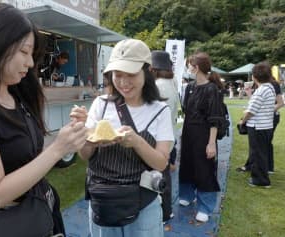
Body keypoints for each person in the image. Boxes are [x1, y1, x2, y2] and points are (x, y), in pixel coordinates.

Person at [0, 3, 87, 236]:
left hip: (42, 213)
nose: (30, 63)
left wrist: (69, 135)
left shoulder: (16, 95)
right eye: (24, 52)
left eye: (31, 55)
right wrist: (58, 149)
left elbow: (28, 159)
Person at [70, 39, 174, 237]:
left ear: (148, 71)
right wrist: (86, 133)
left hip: (143, 203)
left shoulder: (160, 111)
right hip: (103, 200)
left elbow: (161, 163)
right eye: (118, 75)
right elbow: (84, 155)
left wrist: (137, 141)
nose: (124, 83)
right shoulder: (101, 104)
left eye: (131, 75)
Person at [179, 52, 223, 223]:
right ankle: (187, 194)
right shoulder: (190, 87)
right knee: (187, 164)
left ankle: (205, 205)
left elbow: (215, 119)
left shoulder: (212, 89)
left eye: (190, 65)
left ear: (196, 68)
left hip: (204, 134)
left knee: (204, 168)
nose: (188, 68)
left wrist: (211, 143)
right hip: (189, 132)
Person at [150, 50, 179, 223]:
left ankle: (163, 212)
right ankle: (166, 211)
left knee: (159, 177)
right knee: (164, 175)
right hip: (169, 136)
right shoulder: (170, 83)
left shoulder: (159, 86)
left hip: (159, 138)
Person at [237, 62, 276, 188]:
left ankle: (260, 180)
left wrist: (242, 121)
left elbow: (251, 110)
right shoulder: (269, 88)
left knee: (258, 153)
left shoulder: (262, 90)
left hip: (258, 127)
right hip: (266, 126)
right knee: (261, 153)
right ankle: (262, 177)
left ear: (254, 77)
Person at [237, 75, 283, 174]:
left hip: (266, 119)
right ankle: (266, 168)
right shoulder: (264, 86)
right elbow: (255, 103)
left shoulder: (271, 85)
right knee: (263, 144)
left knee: (259, 145)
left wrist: (267, 111)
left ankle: (258, 169)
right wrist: (249, 94)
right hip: (265, 118)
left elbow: (280, 103)